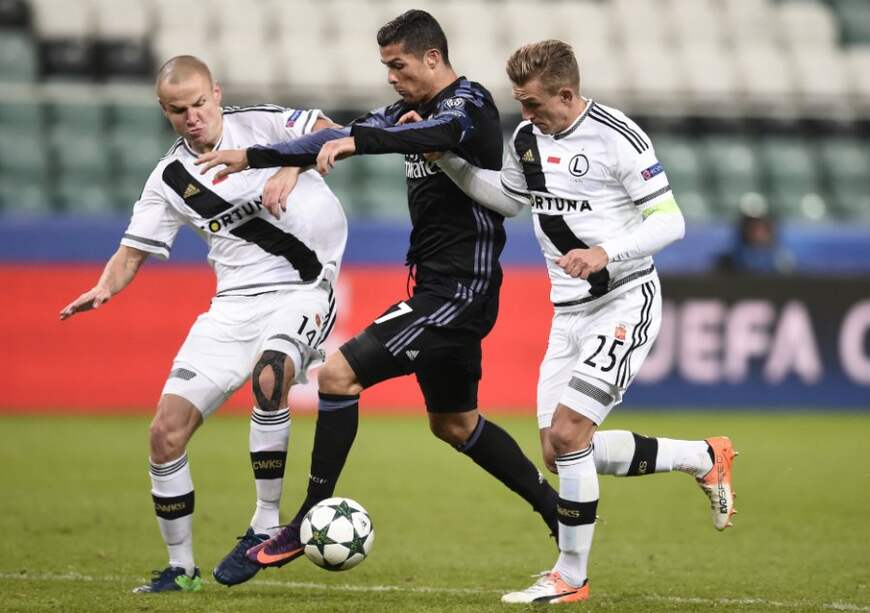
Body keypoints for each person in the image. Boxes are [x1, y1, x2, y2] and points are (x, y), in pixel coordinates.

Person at [197, 10, 560, 576]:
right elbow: (341, 131)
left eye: (399, 65)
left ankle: (306, 517)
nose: (391, 76)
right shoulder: (400, 113)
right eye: (386, 66)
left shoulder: (471, 104)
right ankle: (557, 512)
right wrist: (265, 158)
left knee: (338, 375)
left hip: (460, 290)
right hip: (441, 288)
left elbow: (429, 135)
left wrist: (361, 143)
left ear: (432, 59)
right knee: (455, 424)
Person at [428, 40, 738, 604]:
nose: (525, 115)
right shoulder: (527, 140)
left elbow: (671, 221)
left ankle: (571, 576)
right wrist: (449, 161)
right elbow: (507, 200)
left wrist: (605, 252)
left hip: (624, 300)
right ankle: (702, 456)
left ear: (567, 93)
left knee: (570, 434)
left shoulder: (618, 138)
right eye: (520, 103)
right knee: (559, 450)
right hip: (567, 312)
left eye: (533, 103)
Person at [59, 55, 348, 593]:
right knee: (165, 434)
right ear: (164, 112)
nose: (192, 117)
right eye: (178, 110)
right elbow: (129, 254)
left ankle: (264, 524)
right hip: (232, 305)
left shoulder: (260, 123)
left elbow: (330, 131)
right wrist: (104, 287)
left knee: (272, 374)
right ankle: (180, 569)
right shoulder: (169, 178)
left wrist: (289, 165)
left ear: (216, 94)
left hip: (303, 289)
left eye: (198, 104)